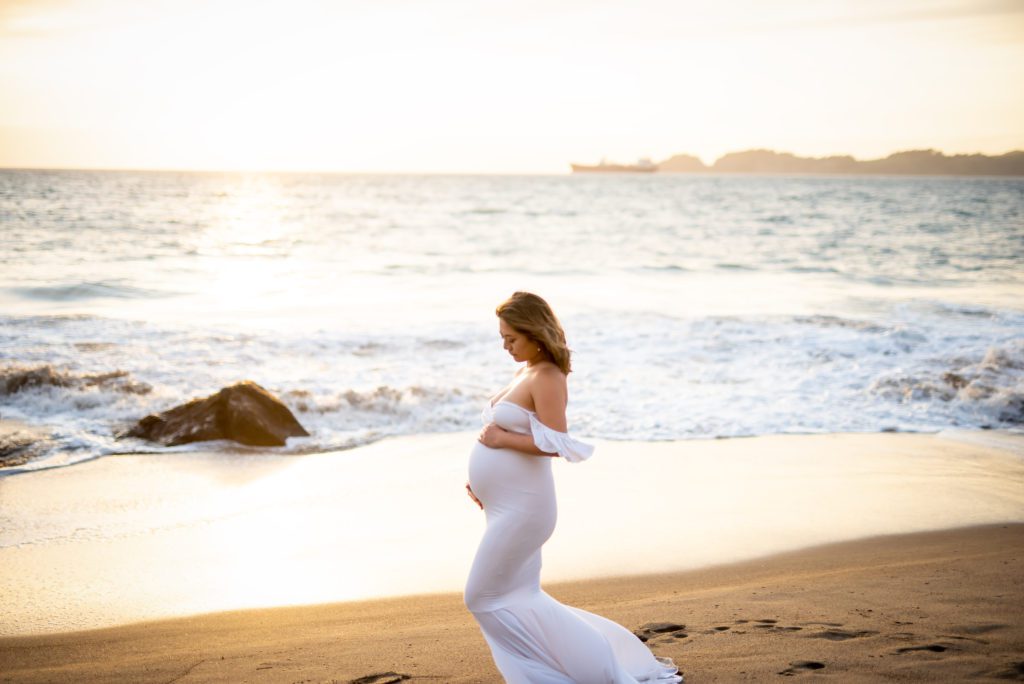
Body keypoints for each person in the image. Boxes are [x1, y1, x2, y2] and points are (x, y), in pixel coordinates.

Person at [464, 291, 683, 683]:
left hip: (525, 511)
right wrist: (485, 482)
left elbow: (557, 442)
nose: (505, 346)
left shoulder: (547, 375)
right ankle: (550, 673)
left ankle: (597, 668)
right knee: (519, 597)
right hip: (506, 506)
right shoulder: (526, 370)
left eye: (511, 337)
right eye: (502, 337)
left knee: (481, 597)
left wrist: (500, 443)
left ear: (534, 333)